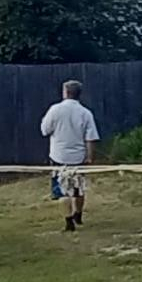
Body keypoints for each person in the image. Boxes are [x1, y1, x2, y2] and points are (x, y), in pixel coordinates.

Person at [39, 80, 100, 230]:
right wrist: (90, 156)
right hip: (78, 157)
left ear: (65, 92)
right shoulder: (85, 113)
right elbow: (91, 137)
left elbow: (44, 130)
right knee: (77, 188)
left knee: (62, 190)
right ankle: (78, 215)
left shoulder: (55, 110)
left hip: (58, 156)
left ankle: (68, 221)